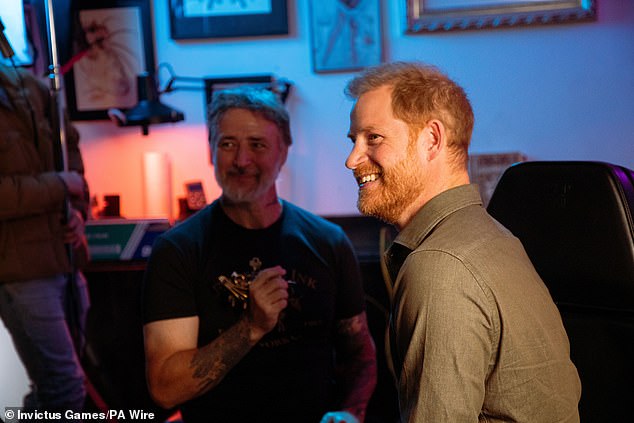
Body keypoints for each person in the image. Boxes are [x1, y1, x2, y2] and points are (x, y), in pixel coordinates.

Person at [343, 61, 581, 422]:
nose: (351, 160)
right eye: (353, 140)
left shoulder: (441, 265)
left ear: (432, 139)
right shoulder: (490, 237)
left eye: (373, 138)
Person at [142, 87, 377, 423]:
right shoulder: (178, 251)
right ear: (210, 152)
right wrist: (251, 327)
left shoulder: (328, 242)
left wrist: (352, 412)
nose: (241, 160)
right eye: (227, 144)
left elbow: (360, 354)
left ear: (283, 152)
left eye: (257, 145)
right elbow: (165, 389)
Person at [0, 64, 90, 414]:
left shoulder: (30, 86)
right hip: (19, 270)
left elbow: (72, 157)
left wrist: (80, 212)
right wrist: (59, 187)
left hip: (64, 256)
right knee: (65, 387)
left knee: (57, 388)